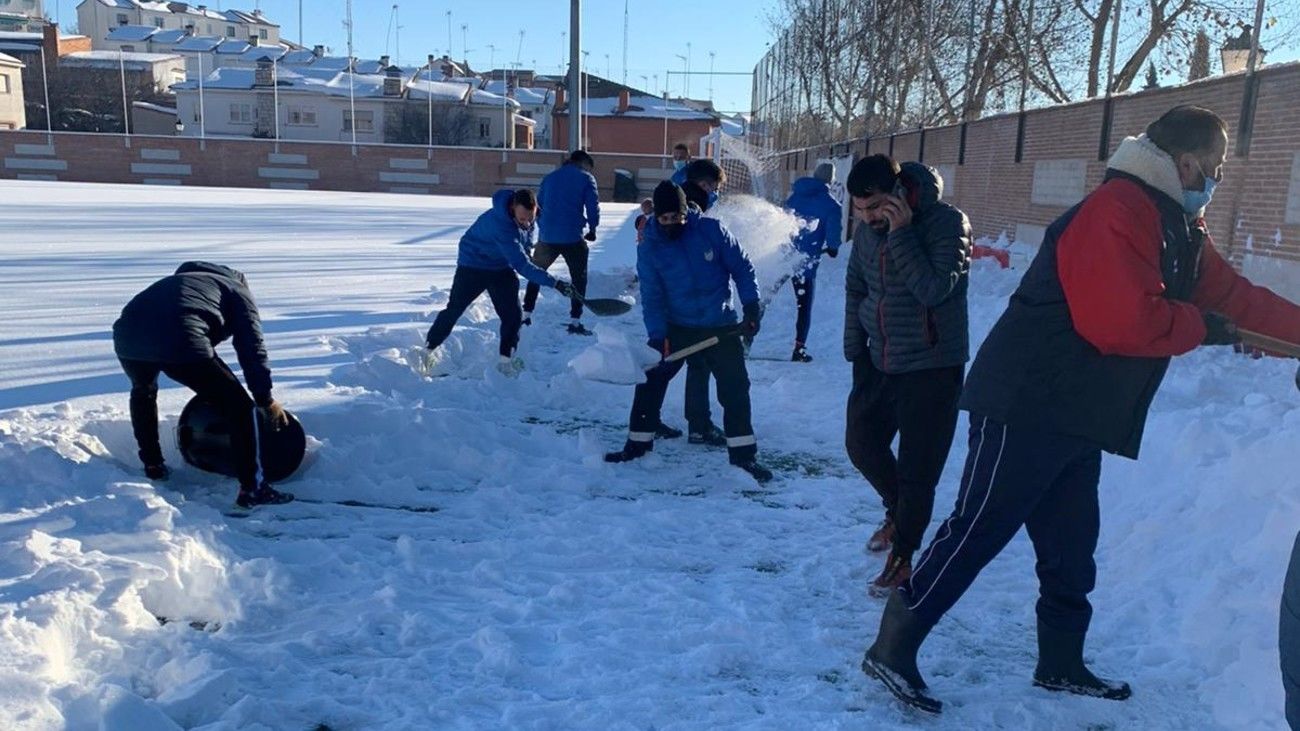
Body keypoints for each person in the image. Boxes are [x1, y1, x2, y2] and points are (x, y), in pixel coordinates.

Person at [862, 106, 1300, 715]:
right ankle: (893, 645)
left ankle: (1061, 661)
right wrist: (1204, 327)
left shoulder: (1176, 225)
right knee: (979, 528)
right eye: (1216, 167)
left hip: (1076, 411)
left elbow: (1238, 298)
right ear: (1187, 161)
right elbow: (1120, 321)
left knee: (1071, 544)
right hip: (1026, 400)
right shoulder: (1117, 211)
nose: (1216, 179)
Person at [843, 154, 971, 599]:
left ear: (898, 194)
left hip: (932, 365)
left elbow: (934, 288)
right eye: (860, 211)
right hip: (879, 360)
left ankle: (904, 555)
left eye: (876, 207)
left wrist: (901, 234)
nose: (868, 218)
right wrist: (854, 348)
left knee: (919, 470)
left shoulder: (946, 224)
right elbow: (856, 286)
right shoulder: (865, 231)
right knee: (861, 442)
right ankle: (899, 513)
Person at [605, 181, 772, 482]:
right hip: (676, 326)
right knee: (651, 377)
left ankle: (744, 457)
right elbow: (653, 297)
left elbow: (742, 268)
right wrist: (658, 336)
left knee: (735, 389)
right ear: (657, 216)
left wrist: (750, 306)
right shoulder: (650, 247)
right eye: (665, 218)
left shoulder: (711, 231)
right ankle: (638, 445)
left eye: (676, 218)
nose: (671, 224)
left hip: (720, 324)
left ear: (686, 213)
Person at [112, 261, 294, 509]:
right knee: (241, 408)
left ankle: (153, 465)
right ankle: (253, 488)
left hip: (127, 338)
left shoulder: (177, 283)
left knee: (143, 391)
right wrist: (264, 398)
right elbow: (252, 347)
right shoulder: (236, 289)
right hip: (182, 337)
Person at [425, 188, 574, 375]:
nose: (527, 224)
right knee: (455, 308)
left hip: (501, 267)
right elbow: (521, 264)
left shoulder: (527, 219)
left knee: (513, 315)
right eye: (522, 220)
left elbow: (525, 248)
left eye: (531, 218)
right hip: (473, 264)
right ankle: (428, 350)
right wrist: (555, 283)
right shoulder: (501, 225)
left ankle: (506, 361)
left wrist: (530, 257)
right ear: (512, 208)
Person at [524, 150, 601, 336]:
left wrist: (542, 228)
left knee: (535, 274)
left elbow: (538, 207)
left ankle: (526, 314)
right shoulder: (586, 178)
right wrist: (592, 229)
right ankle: (575, 321)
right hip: (572, 237)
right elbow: (592, 206)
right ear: (583, 164)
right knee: (579, 278)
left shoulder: (549, 178)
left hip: (547, 237)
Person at [785, 162, 845, 361]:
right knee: (804, 305)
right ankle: (799, 349)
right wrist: (833, 247)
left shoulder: (795, 195)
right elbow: (833, 235)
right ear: (831, 180)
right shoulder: (831, 205)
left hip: (782, 255)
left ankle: (746, 342)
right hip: (805, 262)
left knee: (765, 297)